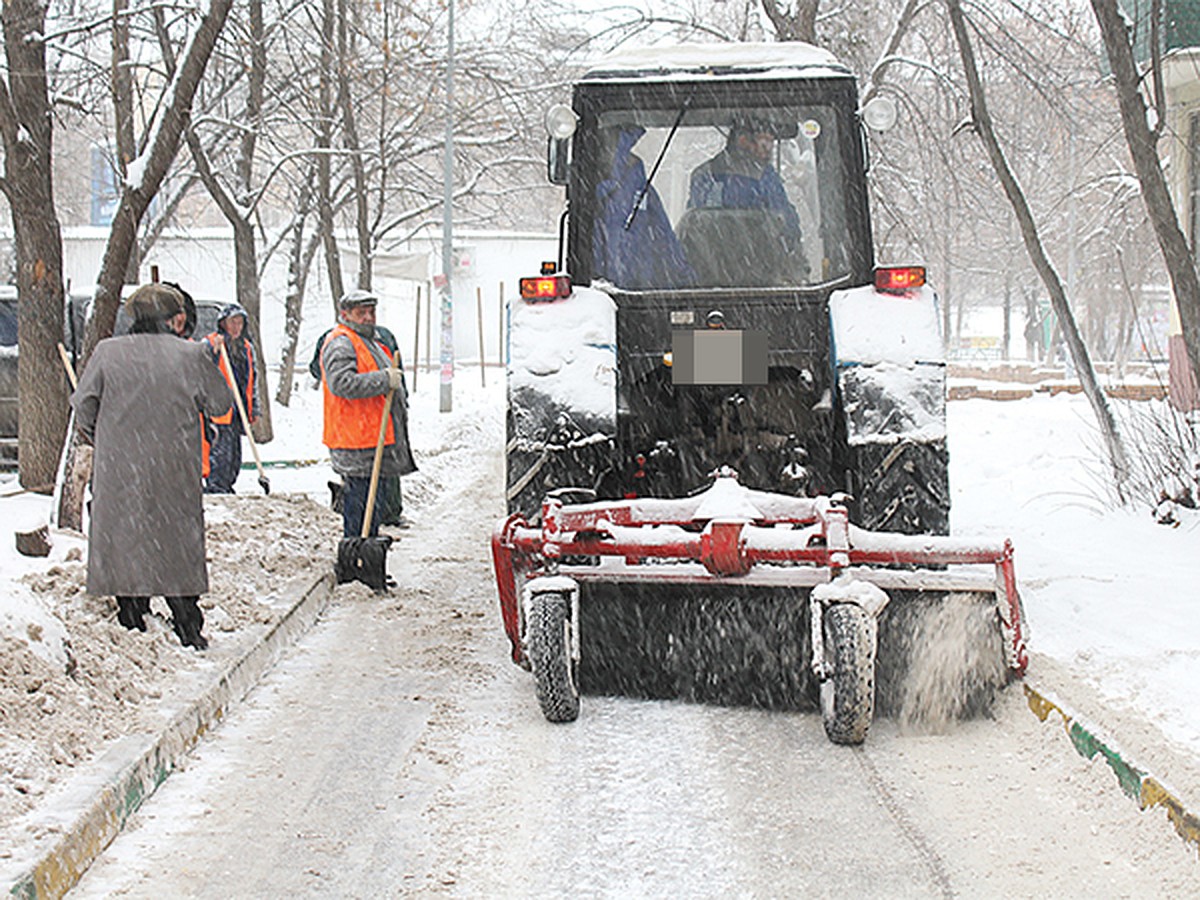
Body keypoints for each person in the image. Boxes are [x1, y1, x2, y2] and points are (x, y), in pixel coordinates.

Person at [71, 283, 232, 650]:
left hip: (119, 470)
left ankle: (131, 617)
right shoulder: (190, 356)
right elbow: (220, 403)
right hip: (172, 468)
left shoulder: (107, 353)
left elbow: (84, 406)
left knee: (126, 540)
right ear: (174, 320)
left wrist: (110, 437)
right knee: (174, 542)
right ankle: (187, 624)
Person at [319, 289, 417, 539]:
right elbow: (341, 383)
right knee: (359, 508)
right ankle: (356, 563)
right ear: (345, 314)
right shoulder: (341, 342)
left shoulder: (367, 341)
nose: (367, 317)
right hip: (355, 441)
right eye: (360, 312)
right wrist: (383, 379)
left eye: (371, 312)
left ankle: (368, 562)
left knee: (372, 509)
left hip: (371, 439)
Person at [202, 304, 259, 493]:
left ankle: (228, 484)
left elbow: (253, 379)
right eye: (232, 322)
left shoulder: (246, 348)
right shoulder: (212, 343)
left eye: (239, 323)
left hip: (238, 410)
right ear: (223, 324)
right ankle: (217, 486)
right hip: (218, 409)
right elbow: (199, 367)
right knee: (220, 453)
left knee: (234, 455)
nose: (236, 327)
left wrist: (254, 408)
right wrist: (213, 352)